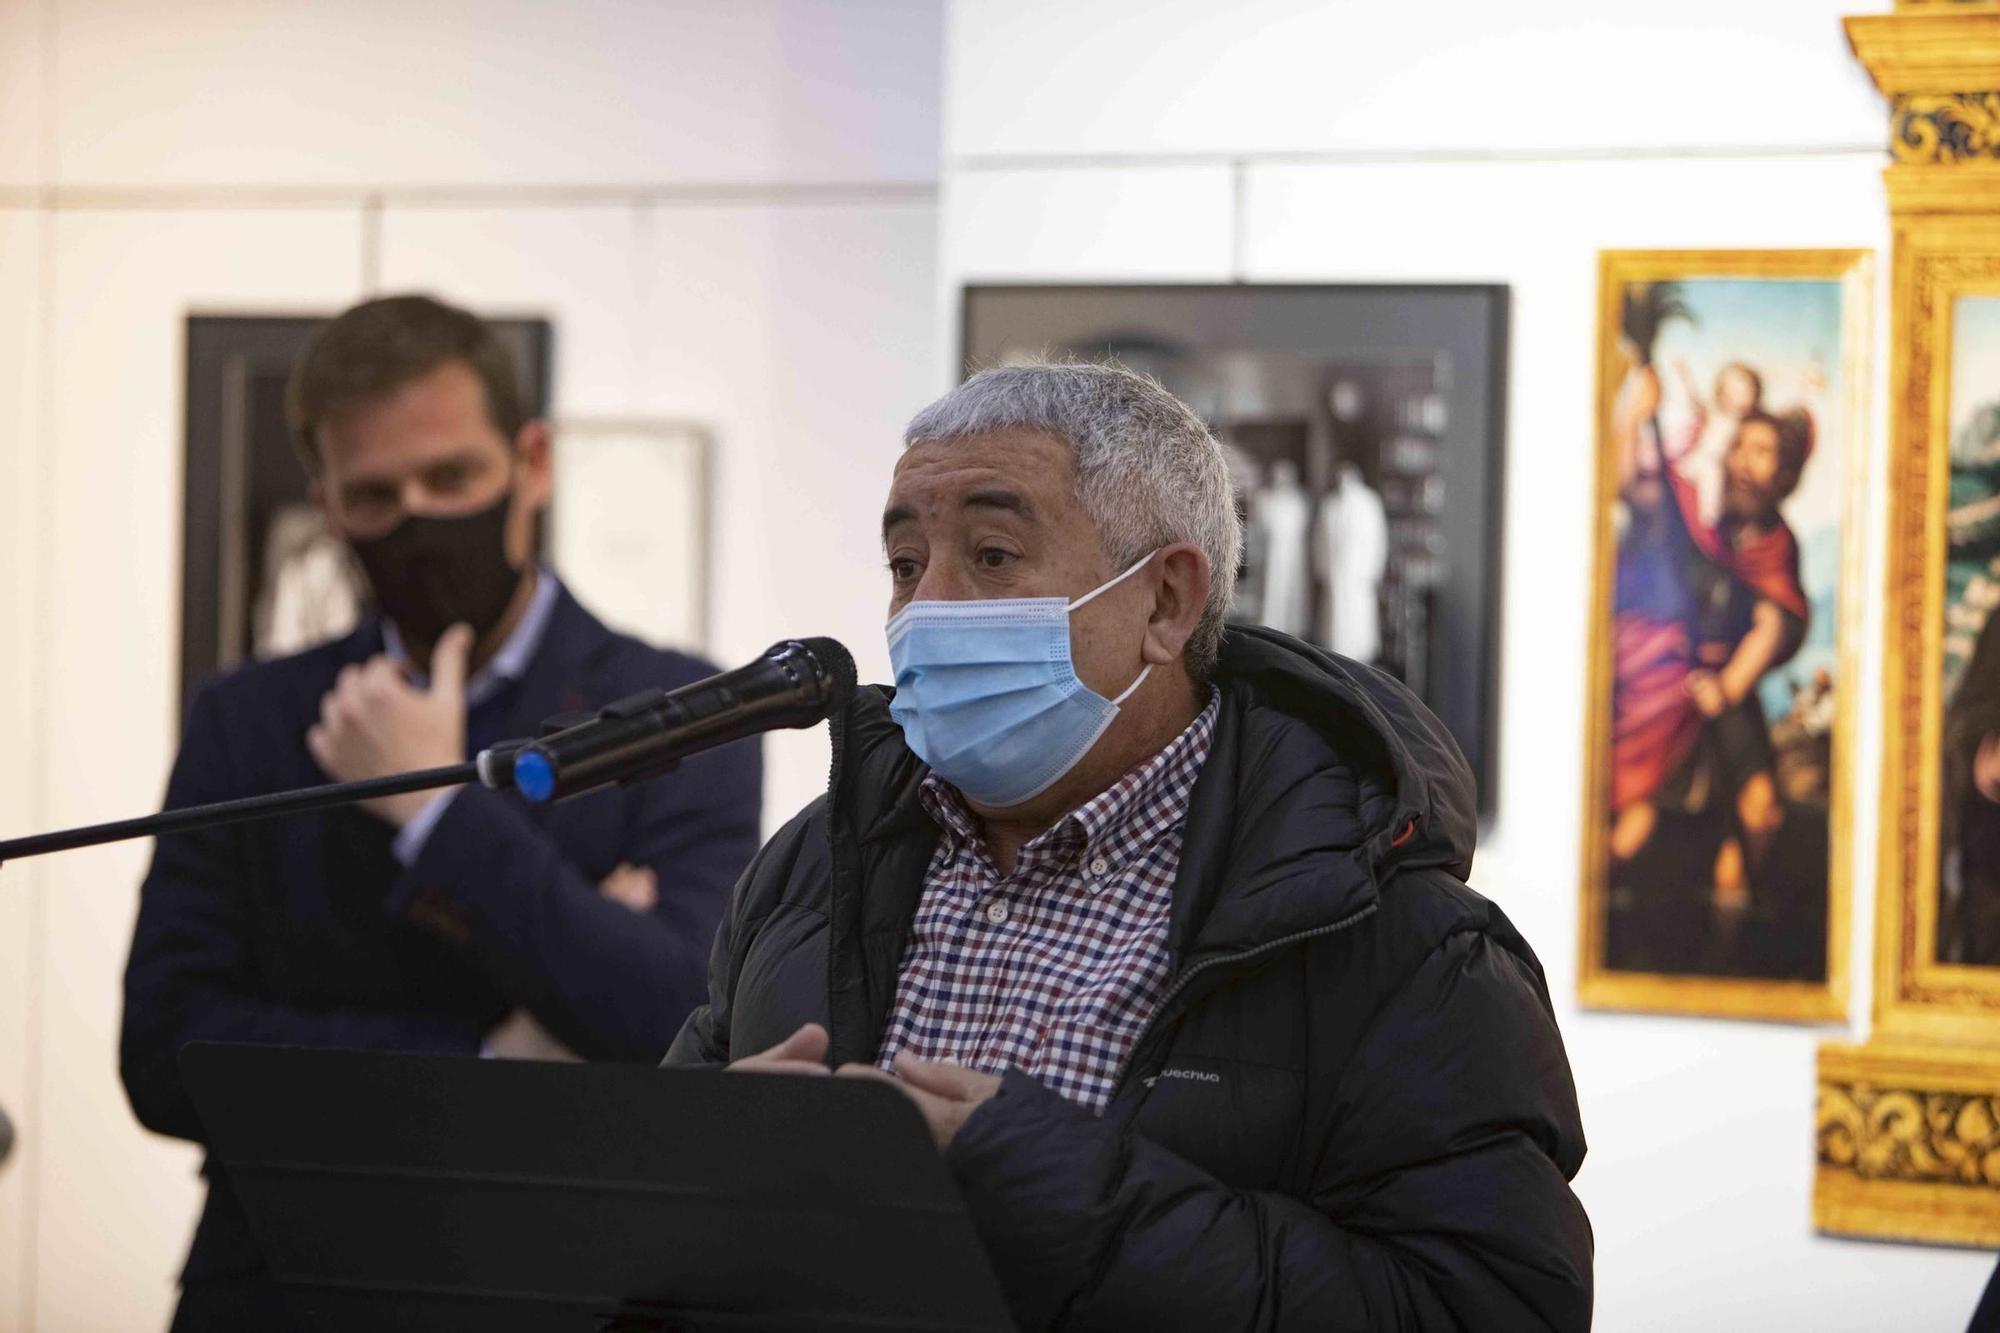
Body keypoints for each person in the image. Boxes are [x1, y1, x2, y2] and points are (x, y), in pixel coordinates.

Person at [665, 362, 1591, 1330]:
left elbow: (1486, 1309)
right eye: (904, 565)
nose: (924, 608)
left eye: (989, 553)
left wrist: (1062, 1192)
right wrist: (704, 1169)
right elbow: (630, 1235)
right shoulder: (813, 866)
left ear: (1163, 602)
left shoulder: (1395, 938)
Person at [121, 294, 763, 1330]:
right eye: (376, 495)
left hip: (571, 1291)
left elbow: (675, 1025)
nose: (418, 518)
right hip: (286, 1290)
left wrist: (437, 817)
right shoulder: (249, 718)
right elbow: (164, 1050)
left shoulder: (677, 713)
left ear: (532, 464)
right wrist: (492, 1062)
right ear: (325, 502)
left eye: (451, 477)